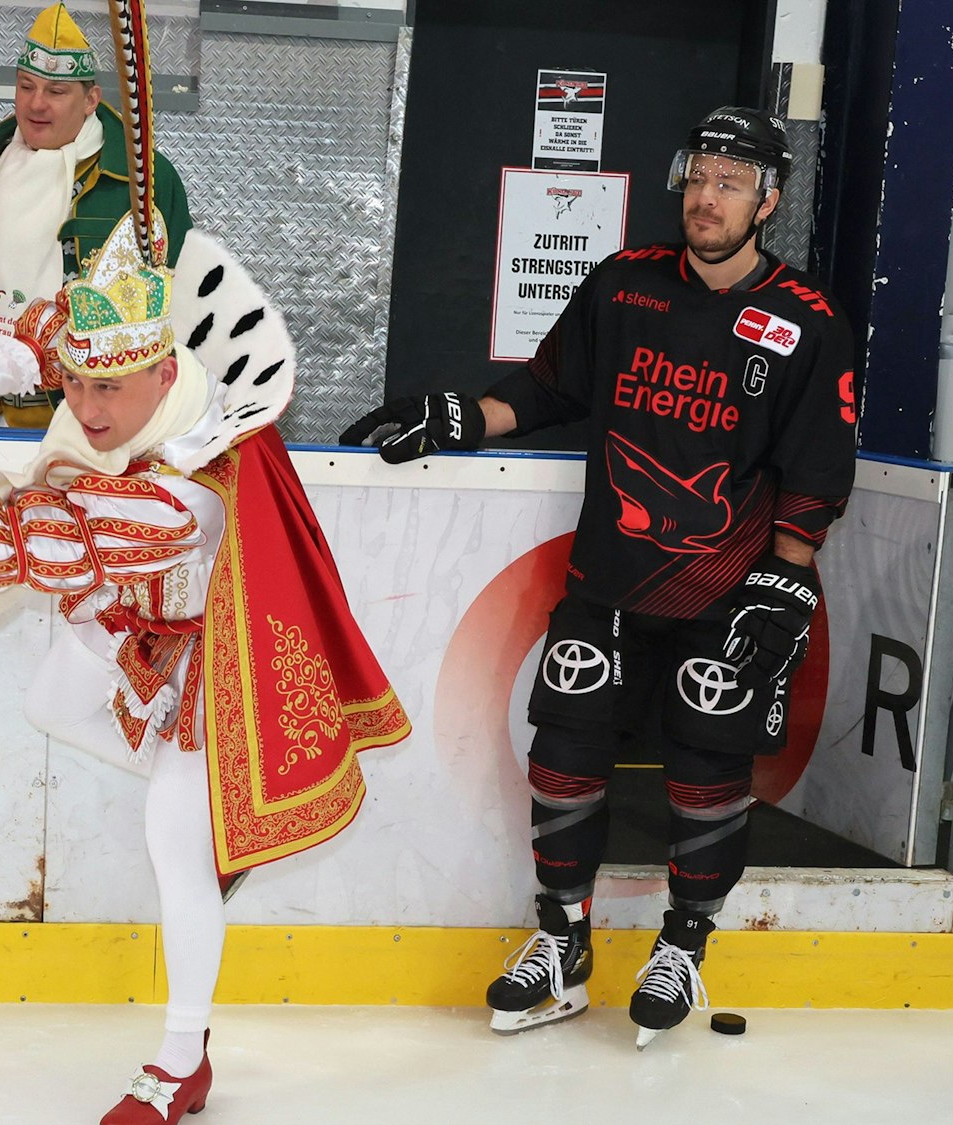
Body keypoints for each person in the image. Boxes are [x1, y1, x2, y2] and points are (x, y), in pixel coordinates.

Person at [0, 215, 409, 1121]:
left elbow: (34, 543)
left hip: (217, 661)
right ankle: (211, 813)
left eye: (106, 384)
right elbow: (66, 327)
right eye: (77, 382)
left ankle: (180, 1058)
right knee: (50, 700)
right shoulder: (150, 376)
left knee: (171, 844)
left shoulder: (185, 490)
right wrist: (26, 357)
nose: (88, 405)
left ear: (163, 373)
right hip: (142, 626)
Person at [339, 107, 858, 1047]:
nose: (707, 197)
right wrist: (460, 415)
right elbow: (548, 389)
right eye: (699, 176)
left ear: (769, 201)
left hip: (726, 591)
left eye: (731, 183)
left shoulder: (808, 324)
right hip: (610, 579)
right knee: (564, 752)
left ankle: (684, 947)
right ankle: (561, 944)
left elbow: (818, 476)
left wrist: (788, 584)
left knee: (706, 768)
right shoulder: (626, 284)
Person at [0, 3, 190, 429]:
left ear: (91, 99)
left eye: (56, 92)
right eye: (26, 86)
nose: (37, 104)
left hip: (78, 421)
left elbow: (179, 300)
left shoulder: (143, 176)